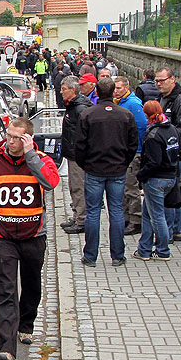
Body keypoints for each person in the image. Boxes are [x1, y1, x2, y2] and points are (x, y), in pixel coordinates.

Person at [0, 118, 60, 360]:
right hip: (5, 237)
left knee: (32, 284)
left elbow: (51, 182)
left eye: (17, 138)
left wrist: (30, 154)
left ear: (27, 139)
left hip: (34, 235)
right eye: (10, 136)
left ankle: (27, 324)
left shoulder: (41, 160)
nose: (11, 141)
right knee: (6, 290)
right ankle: (6, 347)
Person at [74, 77, 139, 267]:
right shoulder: (125, 115)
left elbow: (80, 145)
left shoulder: (88, 115)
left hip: (94, 169)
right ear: (113, 93)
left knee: (93, 213)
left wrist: (85, 164)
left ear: (97, 91)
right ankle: (118, 255)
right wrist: (124, 161)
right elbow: (133, 143)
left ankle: (90, 256)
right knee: (117, 211)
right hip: (117, 168)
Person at [133, 101, 180, 261]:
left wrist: (140, 175)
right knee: (147, 214)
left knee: (157, 216)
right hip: (170, 177)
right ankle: (144, 249)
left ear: (146, 115)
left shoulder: (153, 135)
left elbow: (153, 162)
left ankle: (163, 250)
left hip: (156, 179)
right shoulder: (171, 129)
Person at [155, 66, 181, 236]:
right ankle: (177, 230)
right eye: (156, 81)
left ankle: (170, 231)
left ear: (172, 79)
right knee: (174, 190)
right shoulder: (163, 97)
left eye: (162, 81)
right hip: (171, 153)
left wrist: (171, 147)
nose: (159, 84)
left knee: (168, 192)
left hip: (178, 154)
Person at [112, 77, 146, 235]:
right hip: (123, 151)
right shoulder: (120, 101)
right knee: (124, 187)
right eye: (114, 88)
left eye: (119, 88)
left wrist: (135, 149)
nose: (116, 91)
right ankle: (126, 218)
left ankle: (136, 220)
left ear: (126, 87)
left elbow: (141, 127)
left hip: (133, 151)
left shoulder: (133, 103)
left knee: (131, 187)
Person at [59, 77, 93, 234]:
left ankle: (82, 220)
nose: (61, 92)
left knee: (79, 187)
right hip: (72, 154)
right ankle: (77, 215)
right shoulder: (73, 106)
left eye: (64, 89)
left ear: (73, 90)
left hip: (78, 156)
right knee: (73, 187)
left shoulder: (80, 109)